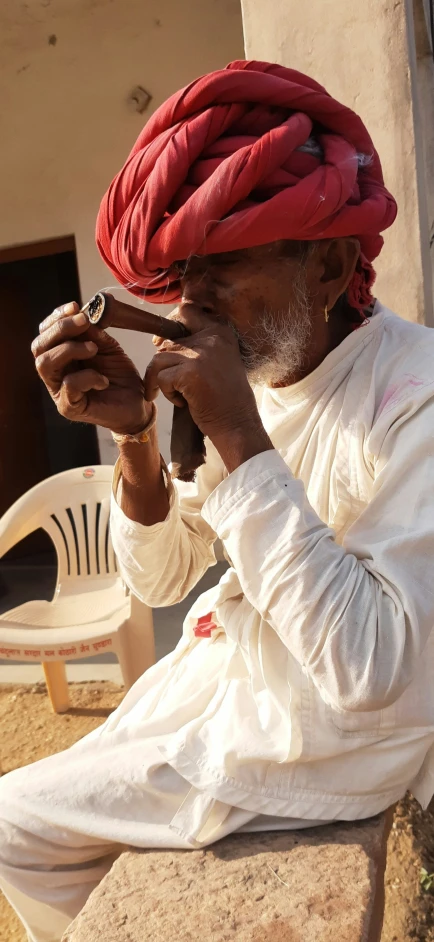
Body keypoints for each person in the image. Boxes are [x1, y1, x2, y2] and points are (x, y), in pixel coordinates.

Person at [1, 58, 434, 942]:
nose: (192, 300)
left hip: (314, 742)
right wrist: (134, 441)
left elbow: (375, 673)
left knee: (12, 825)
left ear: (331, 265)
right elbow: (161, 582)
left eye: (225, 267)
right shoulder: (267, 377)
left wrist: (239, 435)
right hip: (226, 685)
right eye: (185, 272)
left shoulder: (416, 395)